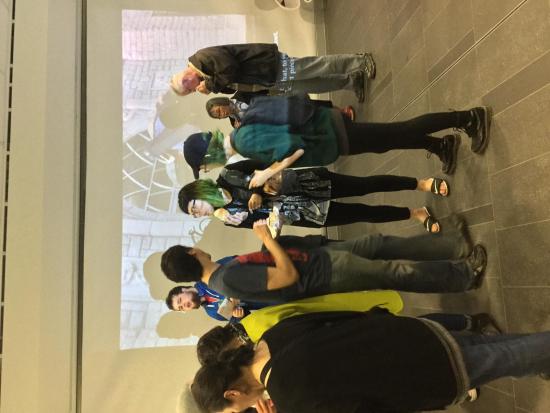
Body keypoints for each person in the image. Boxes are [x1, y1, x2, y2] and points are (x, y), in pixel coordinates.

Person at [191, 309, 550, 413]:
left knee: (509, 356)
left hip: (428, 372)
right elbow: (342, 317)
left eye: (233, 412)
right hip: (409, 332)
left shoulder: (289, 396)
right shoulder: (271, 338)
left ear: (232, 394)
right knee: (499, 350)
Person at [160, 216, 488, 304]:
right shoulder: (226, 280)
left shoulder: (224, 273)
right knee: (394, 271)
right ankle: (463, 275)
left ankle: (453, 245)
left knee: (380, 244)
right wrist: (268, 240)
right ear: (192, 253)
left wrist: (271, 242)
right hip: (325, 274)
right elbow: (286, 277)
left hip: (318, 259)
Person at [183, 95, 491, 177]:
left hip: (329, 134)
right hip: (328, 129)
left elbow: (290, 146)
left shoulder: (244, 141)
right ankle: (438, 144)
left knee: (398, 131)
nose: (210, 169)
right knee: (389, 140)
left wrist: (270, 171)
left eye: (205, 165)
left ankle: (466, 118)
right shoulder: (240, 134)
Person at [179, 155, 450, 233]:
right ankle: (415, 213)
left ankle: (420, 183)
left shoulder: (229, 174)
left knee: (365, 185)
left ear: (200, 191)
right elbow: (260, 225)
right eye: (195, 214)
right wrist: (270, 223)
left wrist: (259, 189)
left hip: (304, 184)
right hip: (302, 212)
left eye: (195, 206)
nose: (199, 213)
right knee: (363, 214)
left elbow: (270, 163)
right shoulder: (228, 218)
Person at [169, 43, 376, 102]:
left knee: (317, 66)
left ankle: (359, 61)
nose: (194, 91)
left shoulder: (203, 58)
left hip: (270, 66)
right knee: (315, 85)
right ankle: (351, 81)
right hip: (268, 80)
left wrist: (212, 85)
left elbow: (230, 67)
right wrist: (213, 86)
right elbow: (232, 86)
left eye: (190, 89)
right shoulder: (205, 73)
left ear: (187, 79)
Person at [205, 96, 356, 128]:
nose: (222, 114)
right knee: (309, 121)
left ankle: (342, 112)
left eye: (219, 110)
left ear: (221, 102)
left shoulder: (240, 94)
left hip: (279, 103)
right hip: (278, 121)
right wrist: (242, 128)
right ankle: (340, 122)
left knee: (312, 107)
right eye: (218, 116)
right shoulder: (235, 123)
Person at [165, 283, 266, 322]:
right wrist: (239, 316)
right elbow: (246, 319)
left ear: (183, 289)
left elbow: (235, 261)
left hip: (262, 280)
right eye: (181, 308)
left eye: (180, 300)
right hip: (267, 302)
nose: (184, 305)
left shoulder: (205, 278)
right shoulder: (212, 312)